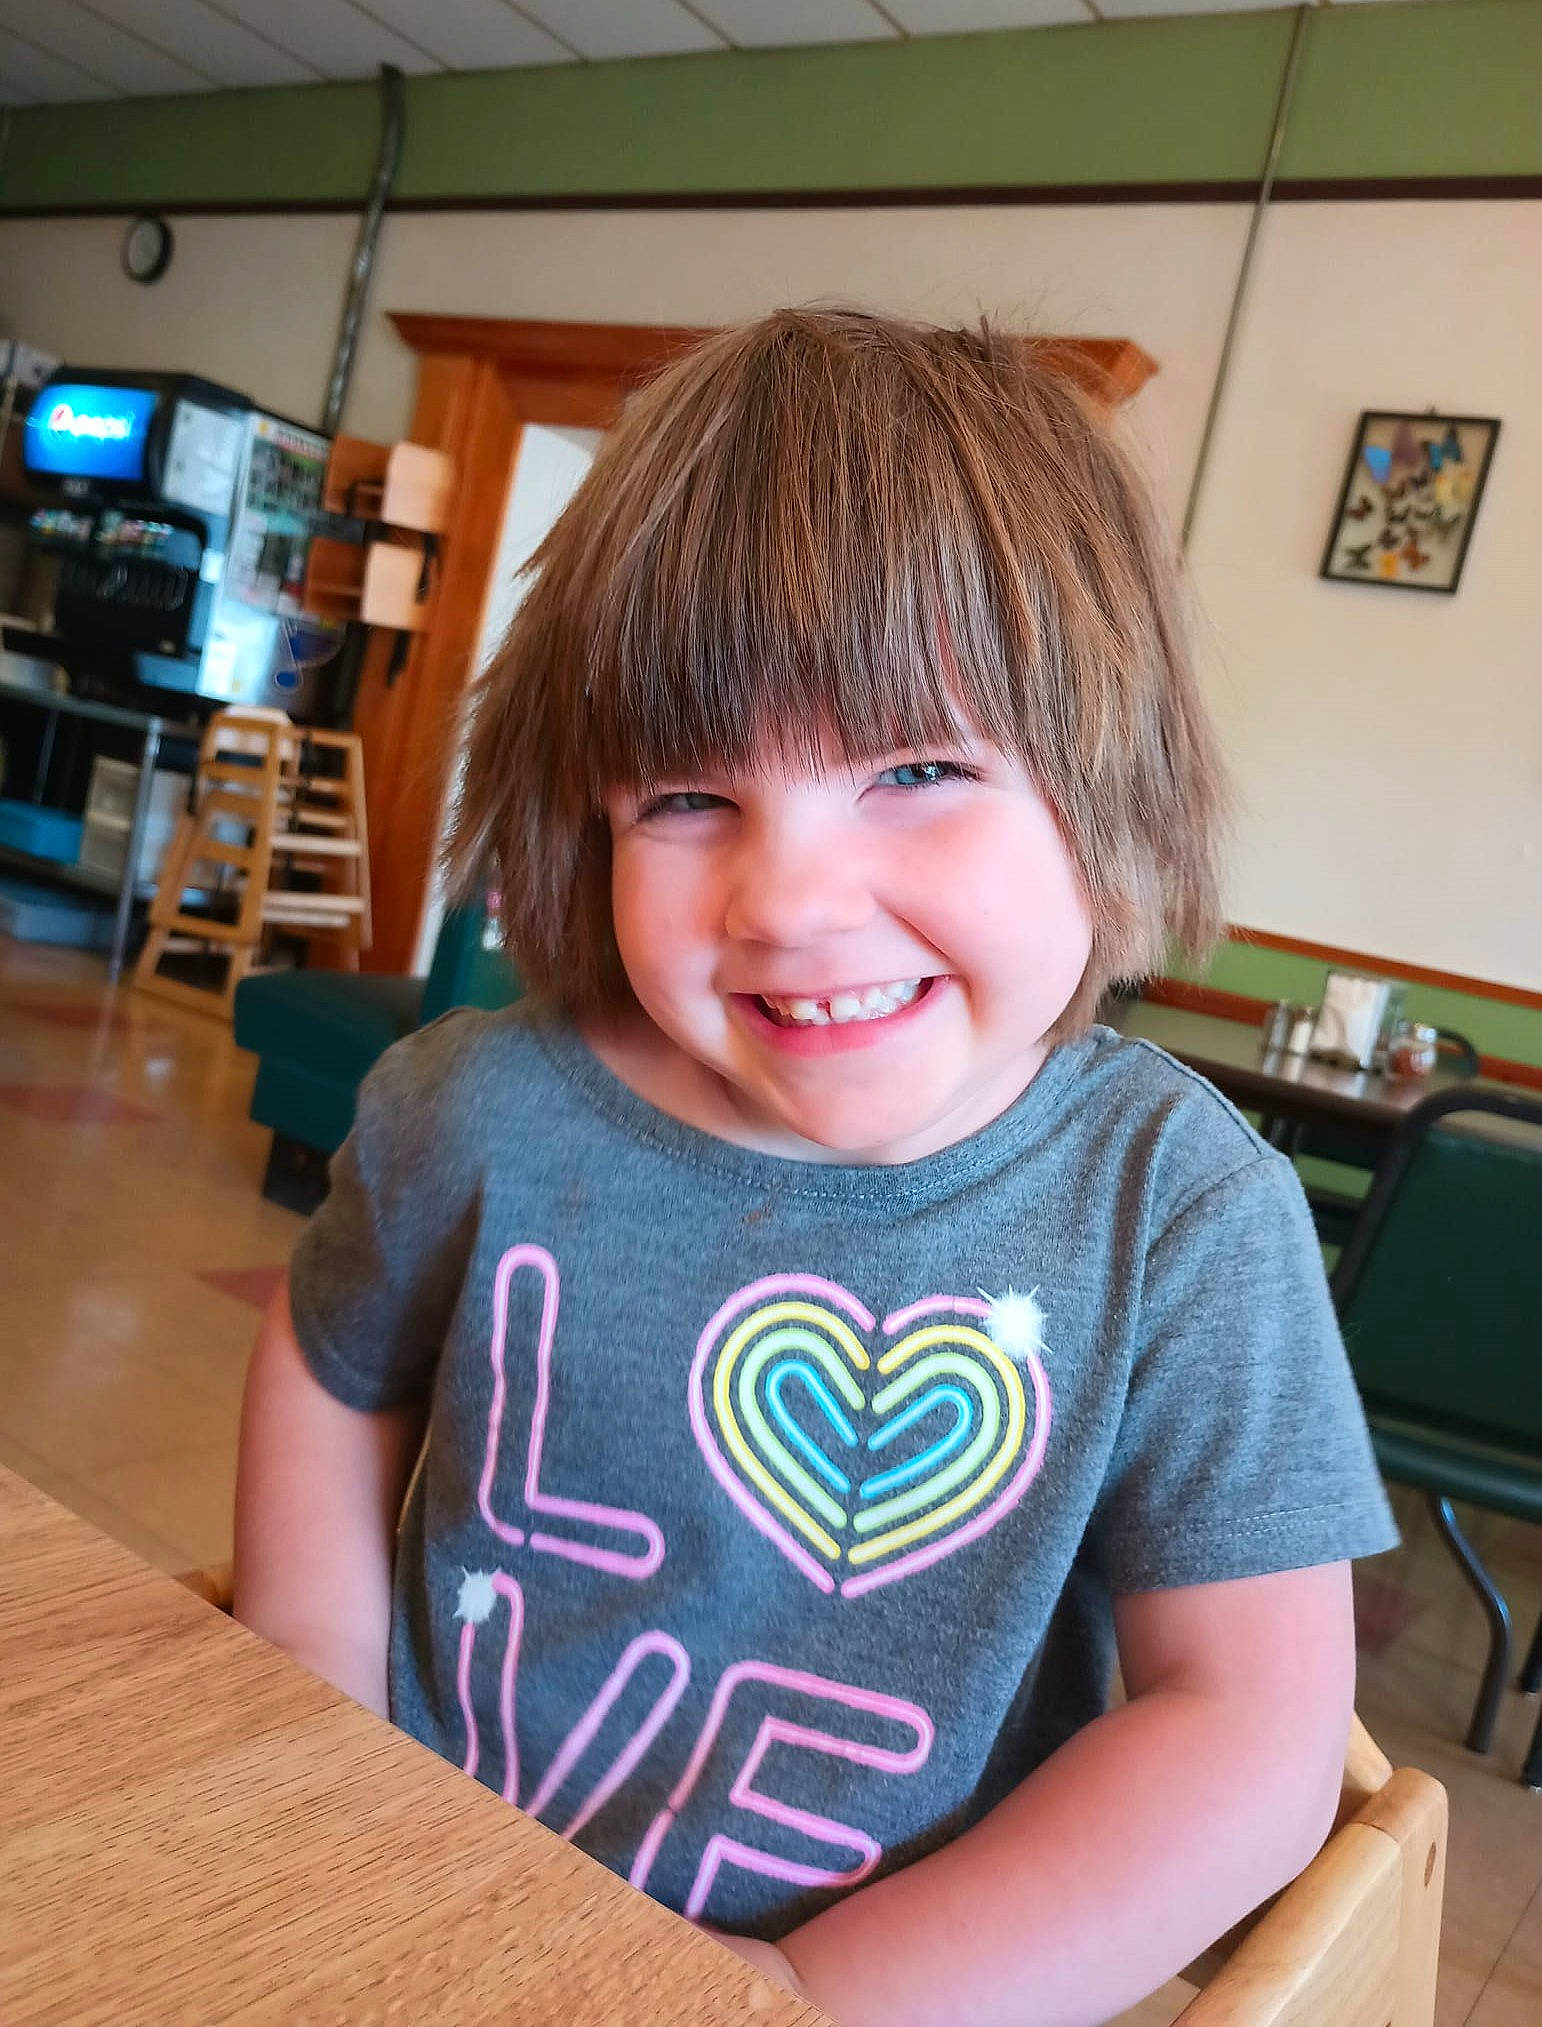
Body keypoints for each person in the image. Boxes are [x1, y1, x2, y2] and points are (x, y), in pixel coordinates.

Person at [235, 307, 1395, 2027]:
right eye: (684, 798)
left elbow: (1247, 1734)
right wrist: (315, 1719)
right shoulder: (473, 1109)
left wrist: (792, 1990)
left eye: (915, 767)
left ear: (1106, 787)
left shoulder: (1177, 1217)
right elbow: (327, 1357)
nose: (783, 899)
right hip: (406, 1930)